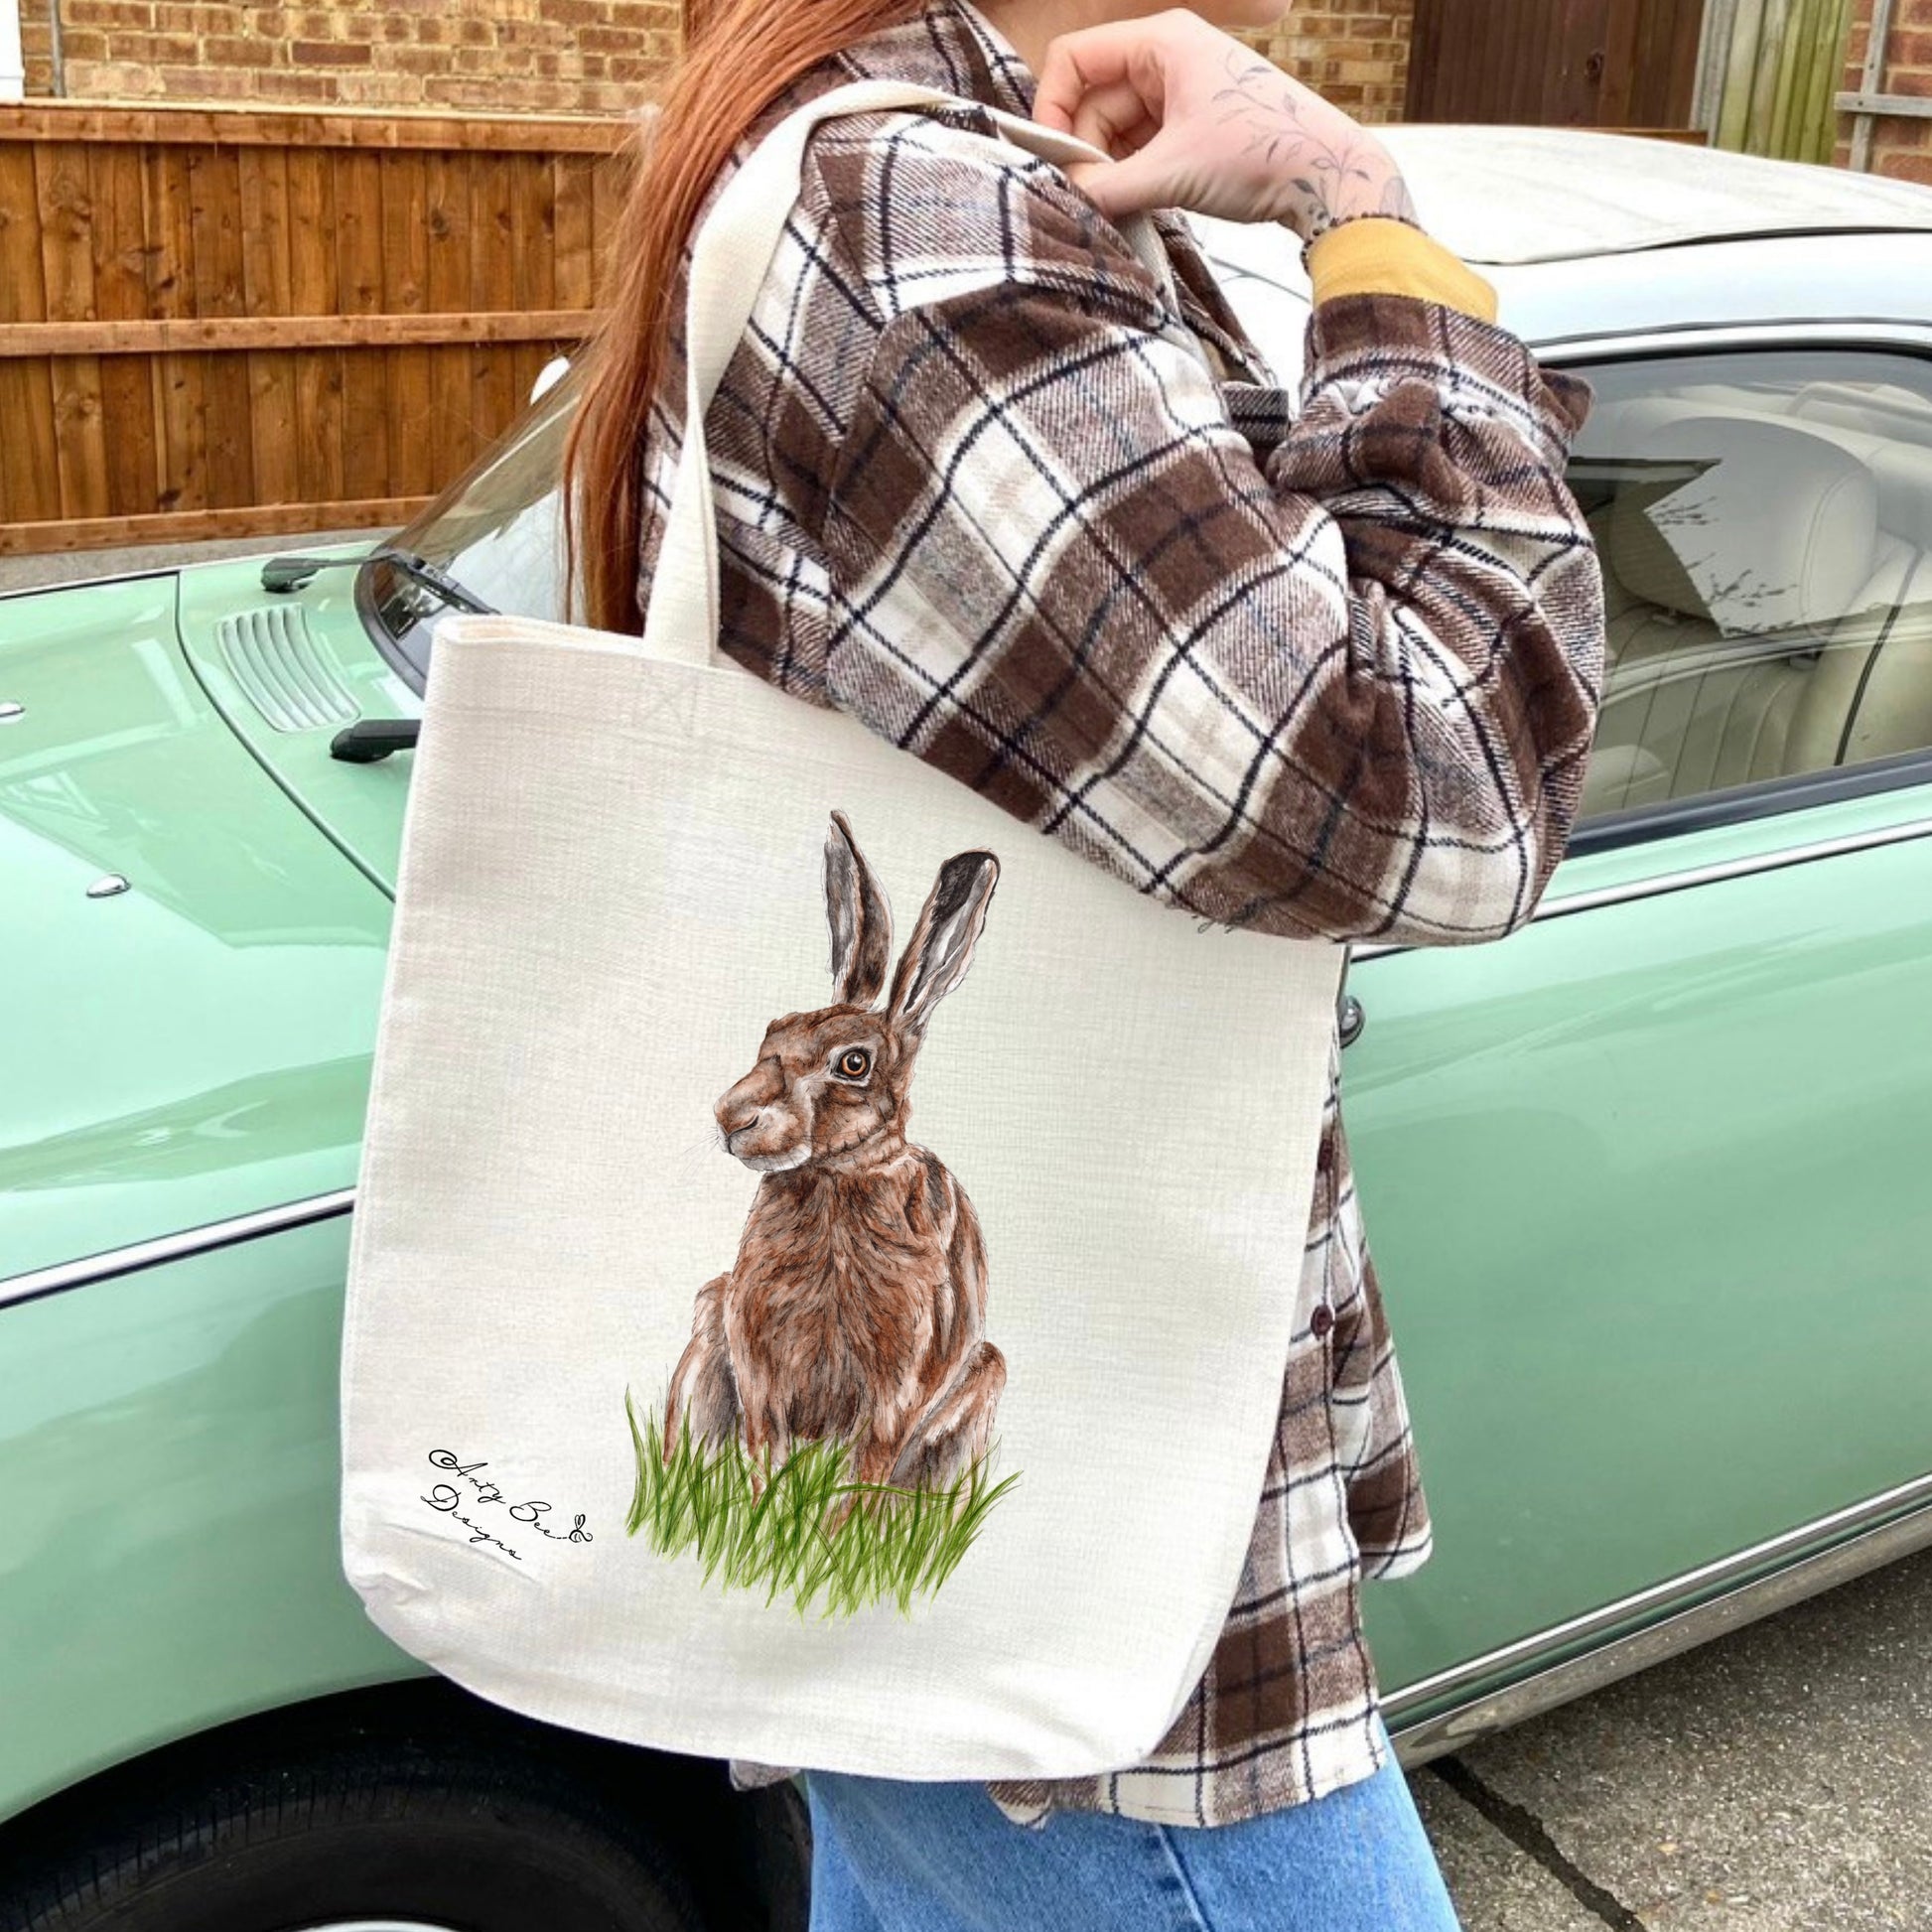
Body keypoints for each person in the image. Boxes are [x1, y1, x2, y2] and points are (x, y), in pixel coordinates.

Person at [563, 0, 1606, 1924]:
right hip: (1097, 1701)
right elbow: (1450, 780)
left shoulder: (909, 153)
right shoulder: (925, 214)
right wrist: (1357, 207)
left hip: (951, 1642)